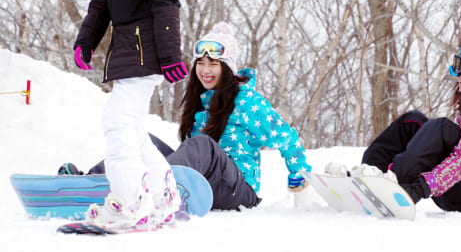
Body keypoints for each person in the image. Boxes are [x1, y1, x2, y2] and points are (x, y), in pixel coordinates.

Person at [69, 22, 319, 210]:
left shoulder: (246, 101)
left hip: (239, 191)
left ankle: (162, 186)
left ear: (227, 68)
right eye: (201, 63)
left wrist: (299, 176)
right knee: (142, 139)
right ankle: (91, 182)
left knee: (202, 145)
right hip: (208, 183)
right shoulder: (198, 99)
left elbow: (286, 137)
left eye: (214, 64)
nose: (205, 70)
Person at [73, 0, 187, 229]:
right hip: (127, 46)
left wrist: (170, 55)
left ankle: (129, 203)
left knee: (117, 121)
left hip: (145, 46)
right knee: (133, 128)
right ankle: (163, 196)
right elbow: (102, 0)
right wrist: (86, 39)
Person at [329, 39, 461, 214]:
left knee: (441, 128)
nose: (456, 74)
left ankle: (393, 183)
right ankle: (371, 174)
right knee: (413, 121)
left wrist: (421, 187)